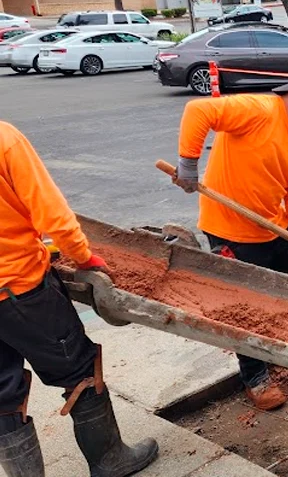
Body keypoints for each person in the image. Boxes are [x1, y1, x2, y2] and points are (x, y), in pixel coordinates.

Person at [171, 68, 288, 411]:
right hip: (230, 229)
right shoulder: (259, 110)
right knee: (246, 306)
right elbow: (198, 110)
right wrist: (188, 163)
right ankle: (256, 378)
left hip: (273, 227)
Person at [0, 121, 158, 477]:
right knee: (80, 370)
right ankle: (110, 460)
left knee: (2, 393)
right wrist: (84, 258)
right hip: (18, 289)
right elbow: (52, 213)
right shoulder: (4, 139)